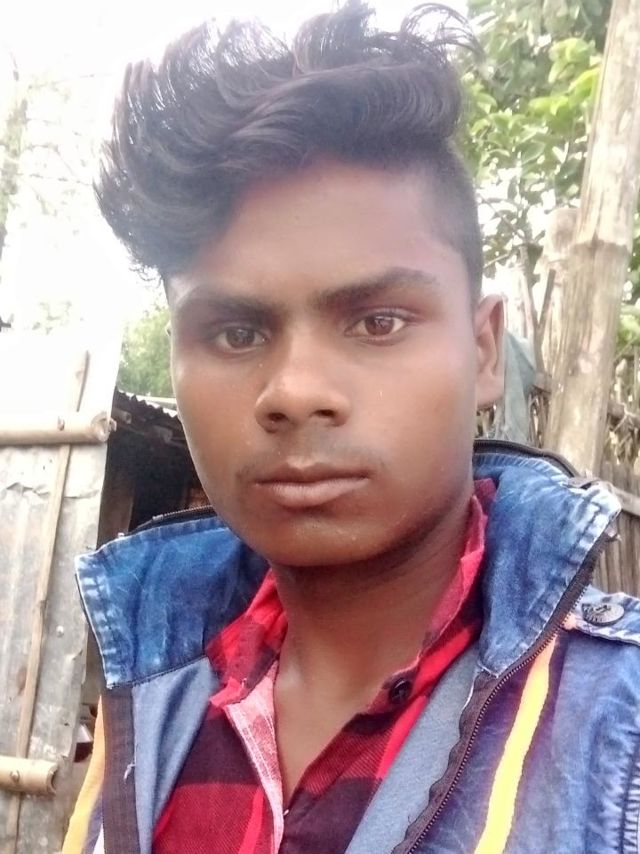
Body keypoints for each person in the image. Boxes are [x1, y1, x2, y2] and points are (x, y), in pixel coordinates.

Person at [64, 3, 640, 853]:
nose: (295, 393)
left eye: (377, 322)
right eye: (235, 333)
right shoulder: (145, 697)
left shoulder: (619, 733)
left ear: (484, 350)